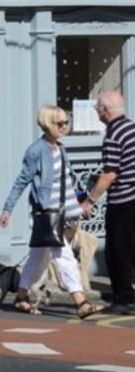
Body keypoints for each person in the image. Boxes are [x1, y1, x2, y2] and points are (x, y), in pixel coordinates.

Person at [0, 103, 104, 317]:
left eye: (67, 122)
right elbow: (21, 182)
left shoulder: (61, 149)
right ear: (49, 124)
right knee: (65, 255)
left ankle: (20, 297)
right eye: (61, 123)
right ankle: (81, 302)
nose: (66, 126)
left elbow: (66, 184)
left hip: (61, 211)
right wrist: (7, 209)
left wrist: (78, 208)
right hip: (46, 214)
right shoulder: (36, 151)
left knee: (37, 258)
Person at [80, 91, 135, 314]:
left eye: (97, 109)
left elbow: (111, 174)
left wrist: (90, 200)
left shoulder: (113, 134)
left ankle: (125, 299)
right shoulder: (131, 128)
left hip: (122, 201)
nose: (96, 112)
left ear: (105, 110)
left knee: (117, 251)